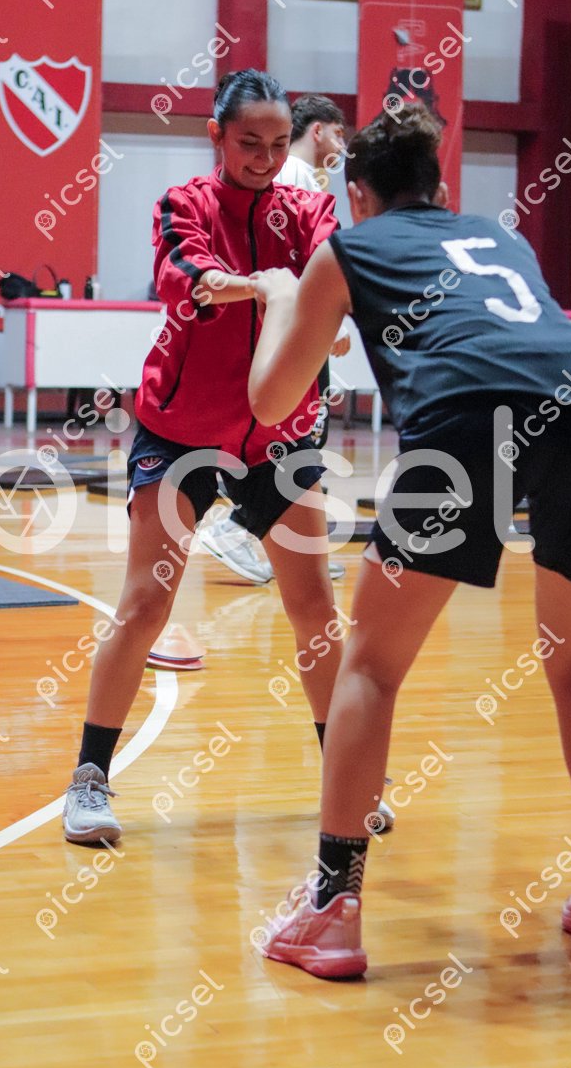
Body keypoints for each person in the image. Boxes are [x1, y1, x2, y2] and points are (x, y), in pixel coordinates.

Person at [248, 103, 571, 977]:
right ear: (443, 186)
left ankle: (333, 909)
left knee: (371, 667)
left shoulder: (347, 247)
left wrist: (279, 298)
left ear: (356, 196)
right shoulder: (504, 240)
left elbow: (271, 402)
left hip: (466, 421)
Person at [62, 69, 395, 843]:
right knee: (145, 604)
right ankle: (88, 777)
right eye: (249, 143)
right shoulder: (183, 203)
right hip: (181, 432)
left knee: (315, 611)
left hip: (280, 439)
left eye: (279, 144)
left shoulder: (309, 208)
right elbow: (185, 280)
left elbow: (333, 276)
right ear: (216, 134)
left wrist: (325, 308)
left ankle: (347, 779)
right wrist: (264, 288)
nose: (266, 158)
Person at [200, 94, 352, 585]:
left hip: (278, 325)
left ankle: (295, 546)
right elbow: (307, 265)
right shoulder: (297, 178)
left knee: (299, 438)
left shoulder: (294, 181)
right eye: (339, 133)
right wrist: (331, 323)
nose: (343, 145)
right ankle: (235, 528)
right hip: (289, 329)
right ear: (318, 130)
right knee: (295, 436)